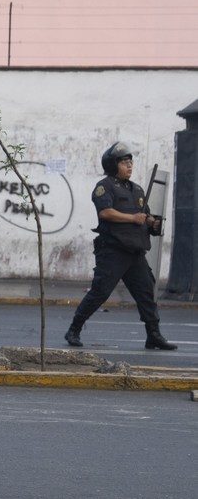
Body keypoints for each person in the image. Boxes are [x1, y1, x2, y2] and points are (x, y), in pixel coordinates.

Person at [64, 142, 176, 350]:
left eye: (130, 162)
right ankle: (74, 329)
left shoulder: (138, 190)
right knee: (100, 292)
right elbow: (105, 212)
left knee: (146, 293)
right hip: (113, 251)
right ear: (112, 165)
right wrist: (133, 218)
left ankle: (154, 335)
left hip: (135, 252)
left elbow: (145, 215)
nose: (129, 166)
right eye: (124, 162)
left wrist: (152, 222)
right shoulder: (104, 186)